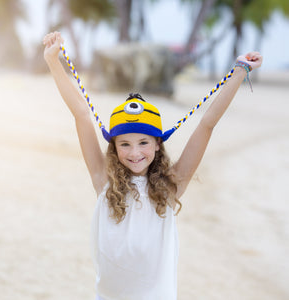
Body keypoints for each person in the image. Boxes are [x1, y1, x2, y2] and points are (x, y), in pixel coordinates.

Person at [43, 31, 263, 300]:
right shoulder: (104, 181)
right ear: (114, 147)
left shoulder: (170, 187)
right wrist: (54, 61)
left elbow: (207, 123)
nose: (135, 152)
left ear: (158, 144)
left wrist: (240, 69)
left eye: (144, 143)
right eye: (124, 144)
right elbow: (81, 113)